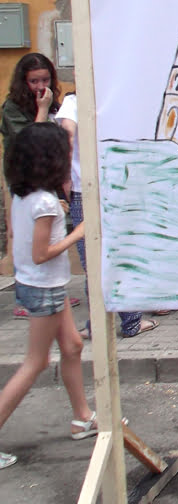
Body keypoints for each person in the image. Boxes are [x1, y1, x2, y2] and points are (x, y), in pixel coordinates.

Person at [0, 122, 99, 469]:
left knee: (72, 347)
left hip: (41, 287)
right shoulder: (44, 203)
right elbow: (43, 253)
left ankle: (82, 417)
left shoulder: (21, 193)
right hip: (44, 289)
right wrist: (80, 232)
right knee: (36, 362)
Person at [55, 93, 155, 339]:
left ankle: (101, 325)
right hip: (114, 186)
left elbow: (67, 133)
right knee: (121, 255)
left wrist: (65, 176)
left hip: (87, 189)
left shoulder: (75, 101)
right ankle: (127, 321)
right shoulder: (112, 96)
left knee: (94, 260)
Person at [1, 53, 80, 317]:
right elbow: (33, 142)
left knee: (48, 231)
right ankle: (26, 297)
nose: (40, 86)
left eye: (45, 79)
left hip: (47, 175)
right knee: (25, 236)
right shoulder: (12, 107)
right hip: (25, 178)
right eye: (34, 81)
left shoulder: (53, 100)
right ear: (24, 81)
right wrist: (43, 110)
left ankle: (48, 293)